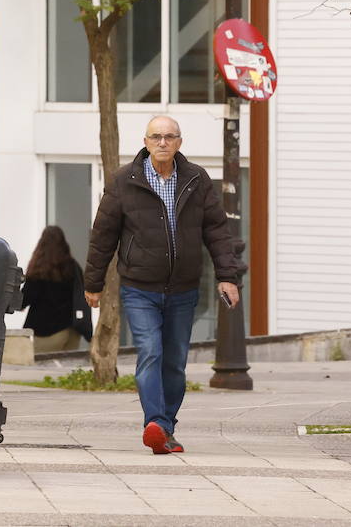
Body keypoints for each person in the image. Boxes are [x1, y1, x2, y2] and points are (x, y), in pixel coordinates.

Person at [84, 115, 246, 455]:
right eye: (156, 136)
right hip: (139, 287)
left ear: (179, 143)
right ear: (145, 142)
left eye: (169, 137)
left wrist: (228, 276)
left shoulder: (196, 179)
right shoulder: (124, 180)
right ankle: (154, 422)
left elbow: (217, 231)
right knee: (151, 352)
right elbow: (103, 235)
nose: (162, 142)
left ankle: (164, 429)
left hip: (183, 289)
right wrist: (93, 282)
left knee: (175, 362)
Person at [20, 225, 93, 353]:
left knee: (42, 370)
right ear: (63, 243)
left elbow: (23, 301)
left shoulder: (39, 270)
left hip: (46, 332)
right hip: (72, 331)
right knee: (67, 370)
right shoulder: (73, 267)